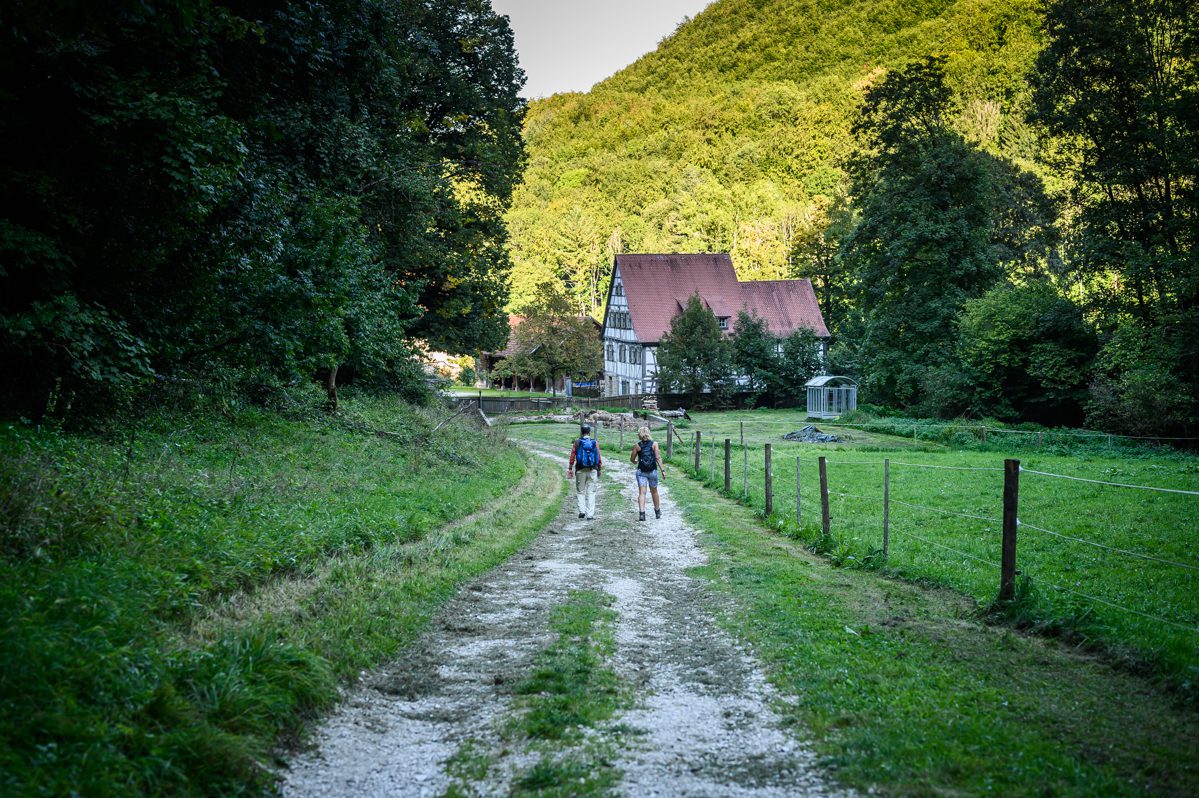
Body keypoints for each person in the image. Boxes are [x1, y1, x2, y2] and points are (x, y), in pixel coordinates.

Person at [567, 424, 602, 520]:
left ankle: (582, 511)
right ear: (589, 432)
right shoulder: (594, 442)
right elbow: (598, 456)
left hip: (580, 470)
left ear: (581, 433)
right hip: (592, 470)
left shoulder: (577, 442)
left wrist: (570, 468)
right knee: (591, 492)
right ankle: (590, 515)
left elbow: (572, 456)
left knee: (580, 491)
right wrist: (599, 469)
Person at [630, 426, 664, 521]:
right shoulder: (654, 444)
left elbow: (632, 459)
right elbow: (657, 458)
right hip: (652, 471)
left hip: (641, 472)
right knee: (654, 491)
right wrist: (663, 470)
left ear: (639, 434)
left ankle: (642, 513)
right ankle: (657, 512)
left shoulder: (637, 445)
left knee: (642, 493)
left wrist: (635, 461)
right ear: (649, 433)